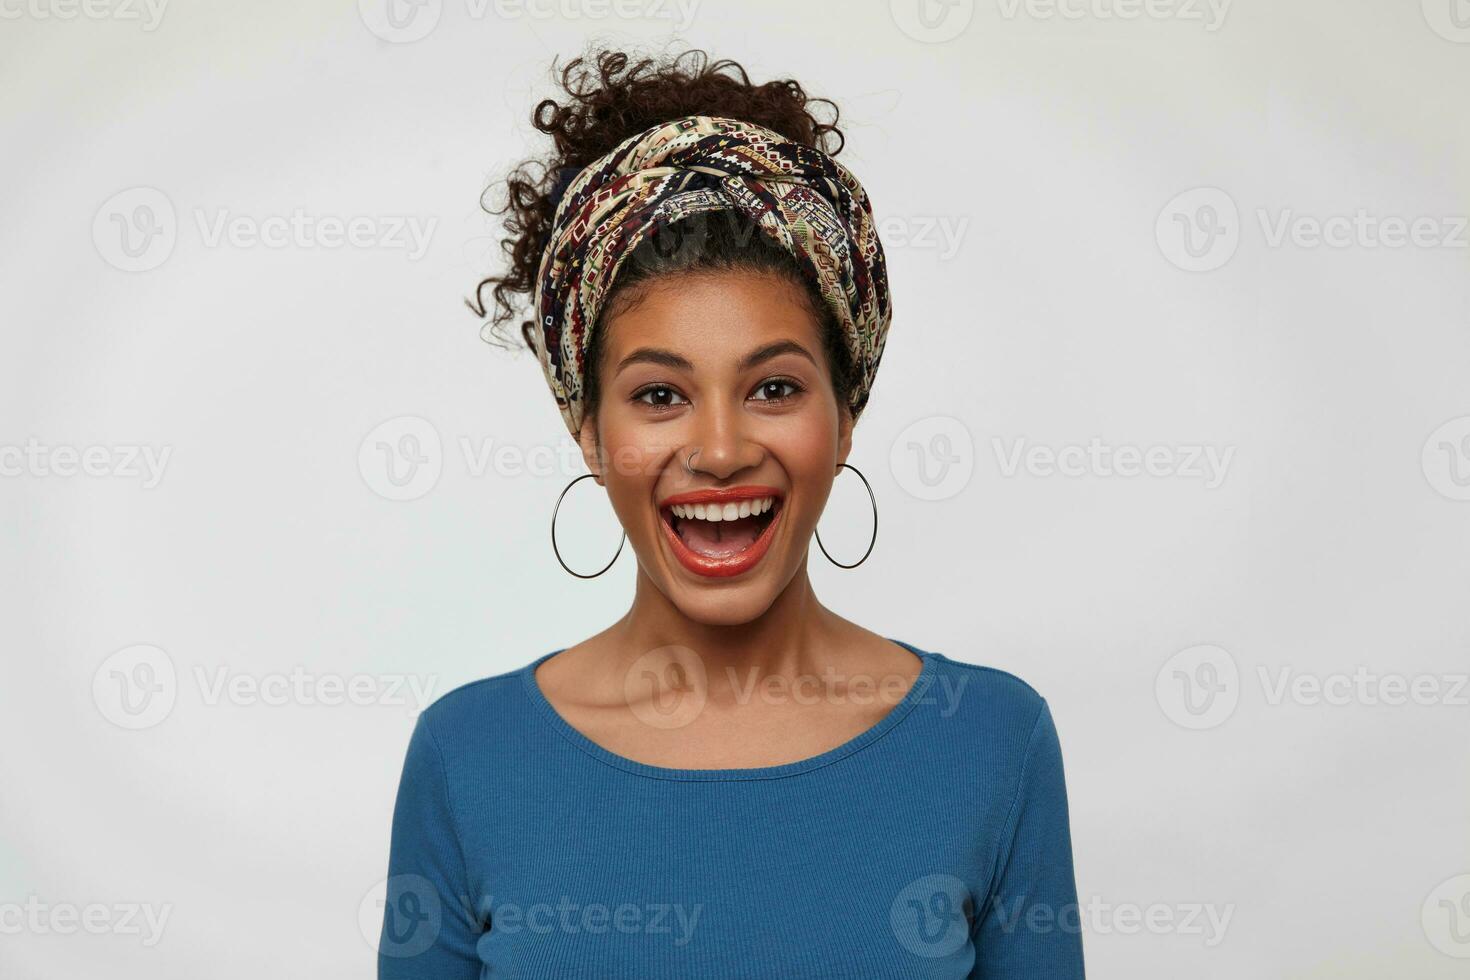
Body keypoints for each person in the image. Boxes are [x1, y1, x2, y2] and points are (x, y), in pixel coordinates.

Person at [377, 47, 1085, 979]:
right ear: (584, 427)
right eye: (660, 395)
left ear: (848, 412)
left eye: (775, 387)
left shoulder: (992, 741)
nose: (717, 451)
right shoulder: (468, 760)